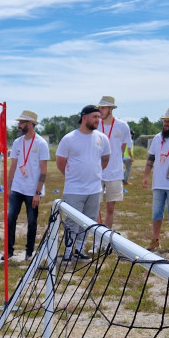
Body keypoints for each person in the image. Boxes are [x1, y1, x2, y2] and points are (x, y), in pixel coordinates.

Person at [56, 105, 111, 261]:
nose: (97, 120)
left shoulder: (102, 138)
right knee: (71, 222)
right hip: (74, 189)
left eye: (99, 117)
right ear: (84, 117)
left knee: (88, 221)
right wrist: (73, 176)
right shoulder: (69, 139)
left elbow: (105, 159)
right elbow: (60, 162)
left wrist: (94, 174)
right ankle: (67, 252)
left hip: (94, 189)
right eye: (95, 117)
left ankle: (80, 249)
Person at [4, 110, 49, 261]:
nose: (18, 125)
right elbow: (13, 166)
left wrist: (37, 193)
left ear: (30, 124)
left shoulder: (41, 143)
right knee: (10, 218)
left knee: (32, 221)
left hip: (32, 190)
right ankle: (9, 250)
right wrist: (8, 187)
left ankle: (29, 252)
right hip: (17, 188)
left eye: (21, 123)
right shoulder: (17, 142)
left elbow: (43, 170)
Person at [142, 107, 169, 251]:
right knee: (156, 213)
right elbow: (151, 157)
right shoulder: (157, 138)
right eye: (164, 121)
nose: (165, 124)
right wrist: (146, 176)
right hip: (158, 183)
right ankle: (155, 240)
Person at [96, 95, 132, 229]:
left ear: (111, 109)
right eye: (99, 107)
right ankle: (96, 237)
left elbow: (122, 149)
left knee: (110, 208)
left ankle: (106, 238)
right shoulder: (96, 124)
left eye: (103, 108)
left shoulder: (122, 126)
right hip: (97, 172)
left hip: (115, 172)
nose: (100, 110)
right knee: (95, 207)